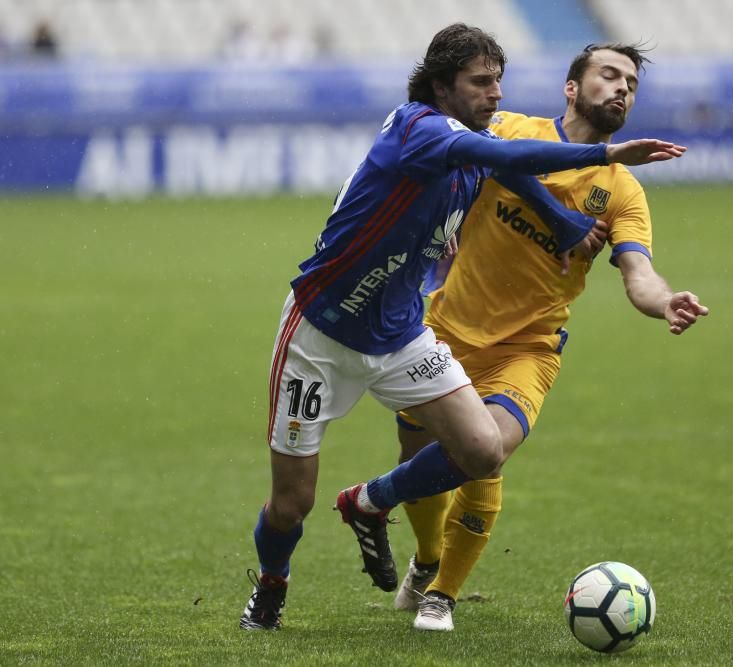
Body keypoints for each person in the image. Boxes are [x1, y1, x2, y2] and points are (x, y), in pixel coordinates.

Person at [239, 24, 685, 631]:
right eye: (481, 82)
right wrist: (603, 154)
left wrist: (560, 221)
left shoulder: (496, 146)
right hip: (320, 333)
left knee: (481, 451)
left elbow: (509, 173)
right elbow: (504, 158)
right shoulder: (418, 129)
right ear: (444, 86)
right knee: (292, 505)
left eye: (499, 80)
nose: (495, 94)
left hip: (404, 335)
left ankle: (408, 549)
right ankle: (271, 584)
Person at [387, 42, 710, 631]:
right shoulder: (509, 129)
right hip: (442, 330)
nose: (621, 89)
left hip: (527, 349)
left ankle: (443, 594)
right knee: (419, 464)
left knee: (485, 454)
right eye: (609, 75)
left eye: (631, 84)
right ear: (571, 86)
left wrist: (665, 300)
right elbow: (472, 160)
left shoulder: (622, 190)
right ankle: (427, 561)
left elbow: (638, 273)